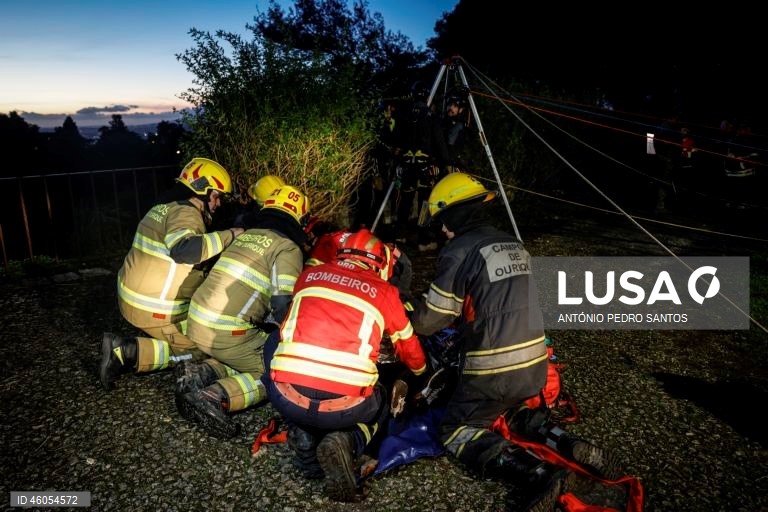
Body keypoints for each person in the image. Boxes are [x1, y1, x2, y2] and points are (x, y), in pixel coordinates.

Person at [410, 173, 617, 511]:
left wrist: (408, 311)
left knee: (457, 429)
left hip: (493, 372)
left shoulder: (459, 250)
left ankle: (537, 473)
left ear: (453, 216)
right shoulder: (512, 244)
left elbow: (431, 319)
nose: (442, 230)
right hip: (535, 368)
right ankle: (568, 442)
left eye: (442, 222)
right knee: (511, 411)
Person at [261, 228, 427, 501]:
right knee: (382, 399)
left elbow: (285, 328)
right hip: (345, 407)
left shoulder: (308, 276)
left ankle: (303, 436)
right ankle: (349, 441)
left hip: (286, 397)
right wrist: (421, 374)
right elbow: (409, 348)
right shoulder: (384, 291)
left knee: (281, 356)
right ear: (379, 263)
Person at [176, 185, 309, 438]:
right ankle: (215, 396)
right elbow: (282, 305)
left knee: (251, 350)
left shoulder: (247, 235)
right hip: (225, 331)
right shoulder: (288, 248)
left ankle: (201, 371)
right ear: (299, 219)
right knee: (277, 369)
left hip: (196, 321)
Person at [100, 157, 243, 391]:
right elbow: (185, 249)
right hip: (154, 308)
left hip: (130, 297)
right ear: (202, 191)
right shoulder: (186, 213)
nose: (217, 204)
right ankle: (126, 351)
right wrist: (231, 235)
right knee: (204, 348)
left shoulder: (164, 206)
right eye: (216, 196)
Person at [395, 80, 450, 252]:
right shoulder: (431, 117)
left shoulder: (403, 115)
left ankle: (400, 235)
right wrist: (447, 163)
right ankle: (423, 238)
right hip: (425, 166)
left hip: (406, 164)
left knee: (405, 199)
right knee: (425, 202)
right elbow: (439, 142)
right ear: (427, 98)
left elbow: (398, 142)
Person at [443, 91, 470, 173]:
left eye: (455, 106)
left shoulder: (459, 125)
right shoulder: (442, 120)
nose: (451, 108)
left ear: (461, 109)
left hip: (450, 161)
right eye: (450, 105)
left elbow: (451, 145)